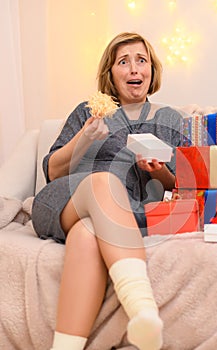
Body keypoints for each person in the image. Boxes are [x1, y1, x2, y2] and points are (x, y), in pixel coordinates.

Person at [31, 32, 183, 350]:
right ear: (110, 74)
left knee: (87, 234)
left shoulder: (170, 119)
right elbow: (52, 171)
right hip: (65, 199)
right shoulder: (89, 110)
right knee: (103, 181)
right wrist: (84, 138)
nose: (133, 69)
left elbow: (183, 186)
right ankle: (142, 307)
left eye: (141, 61)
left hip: (119, 213)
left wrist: (160, 173)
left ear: (152, 70)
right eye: (123, 62)